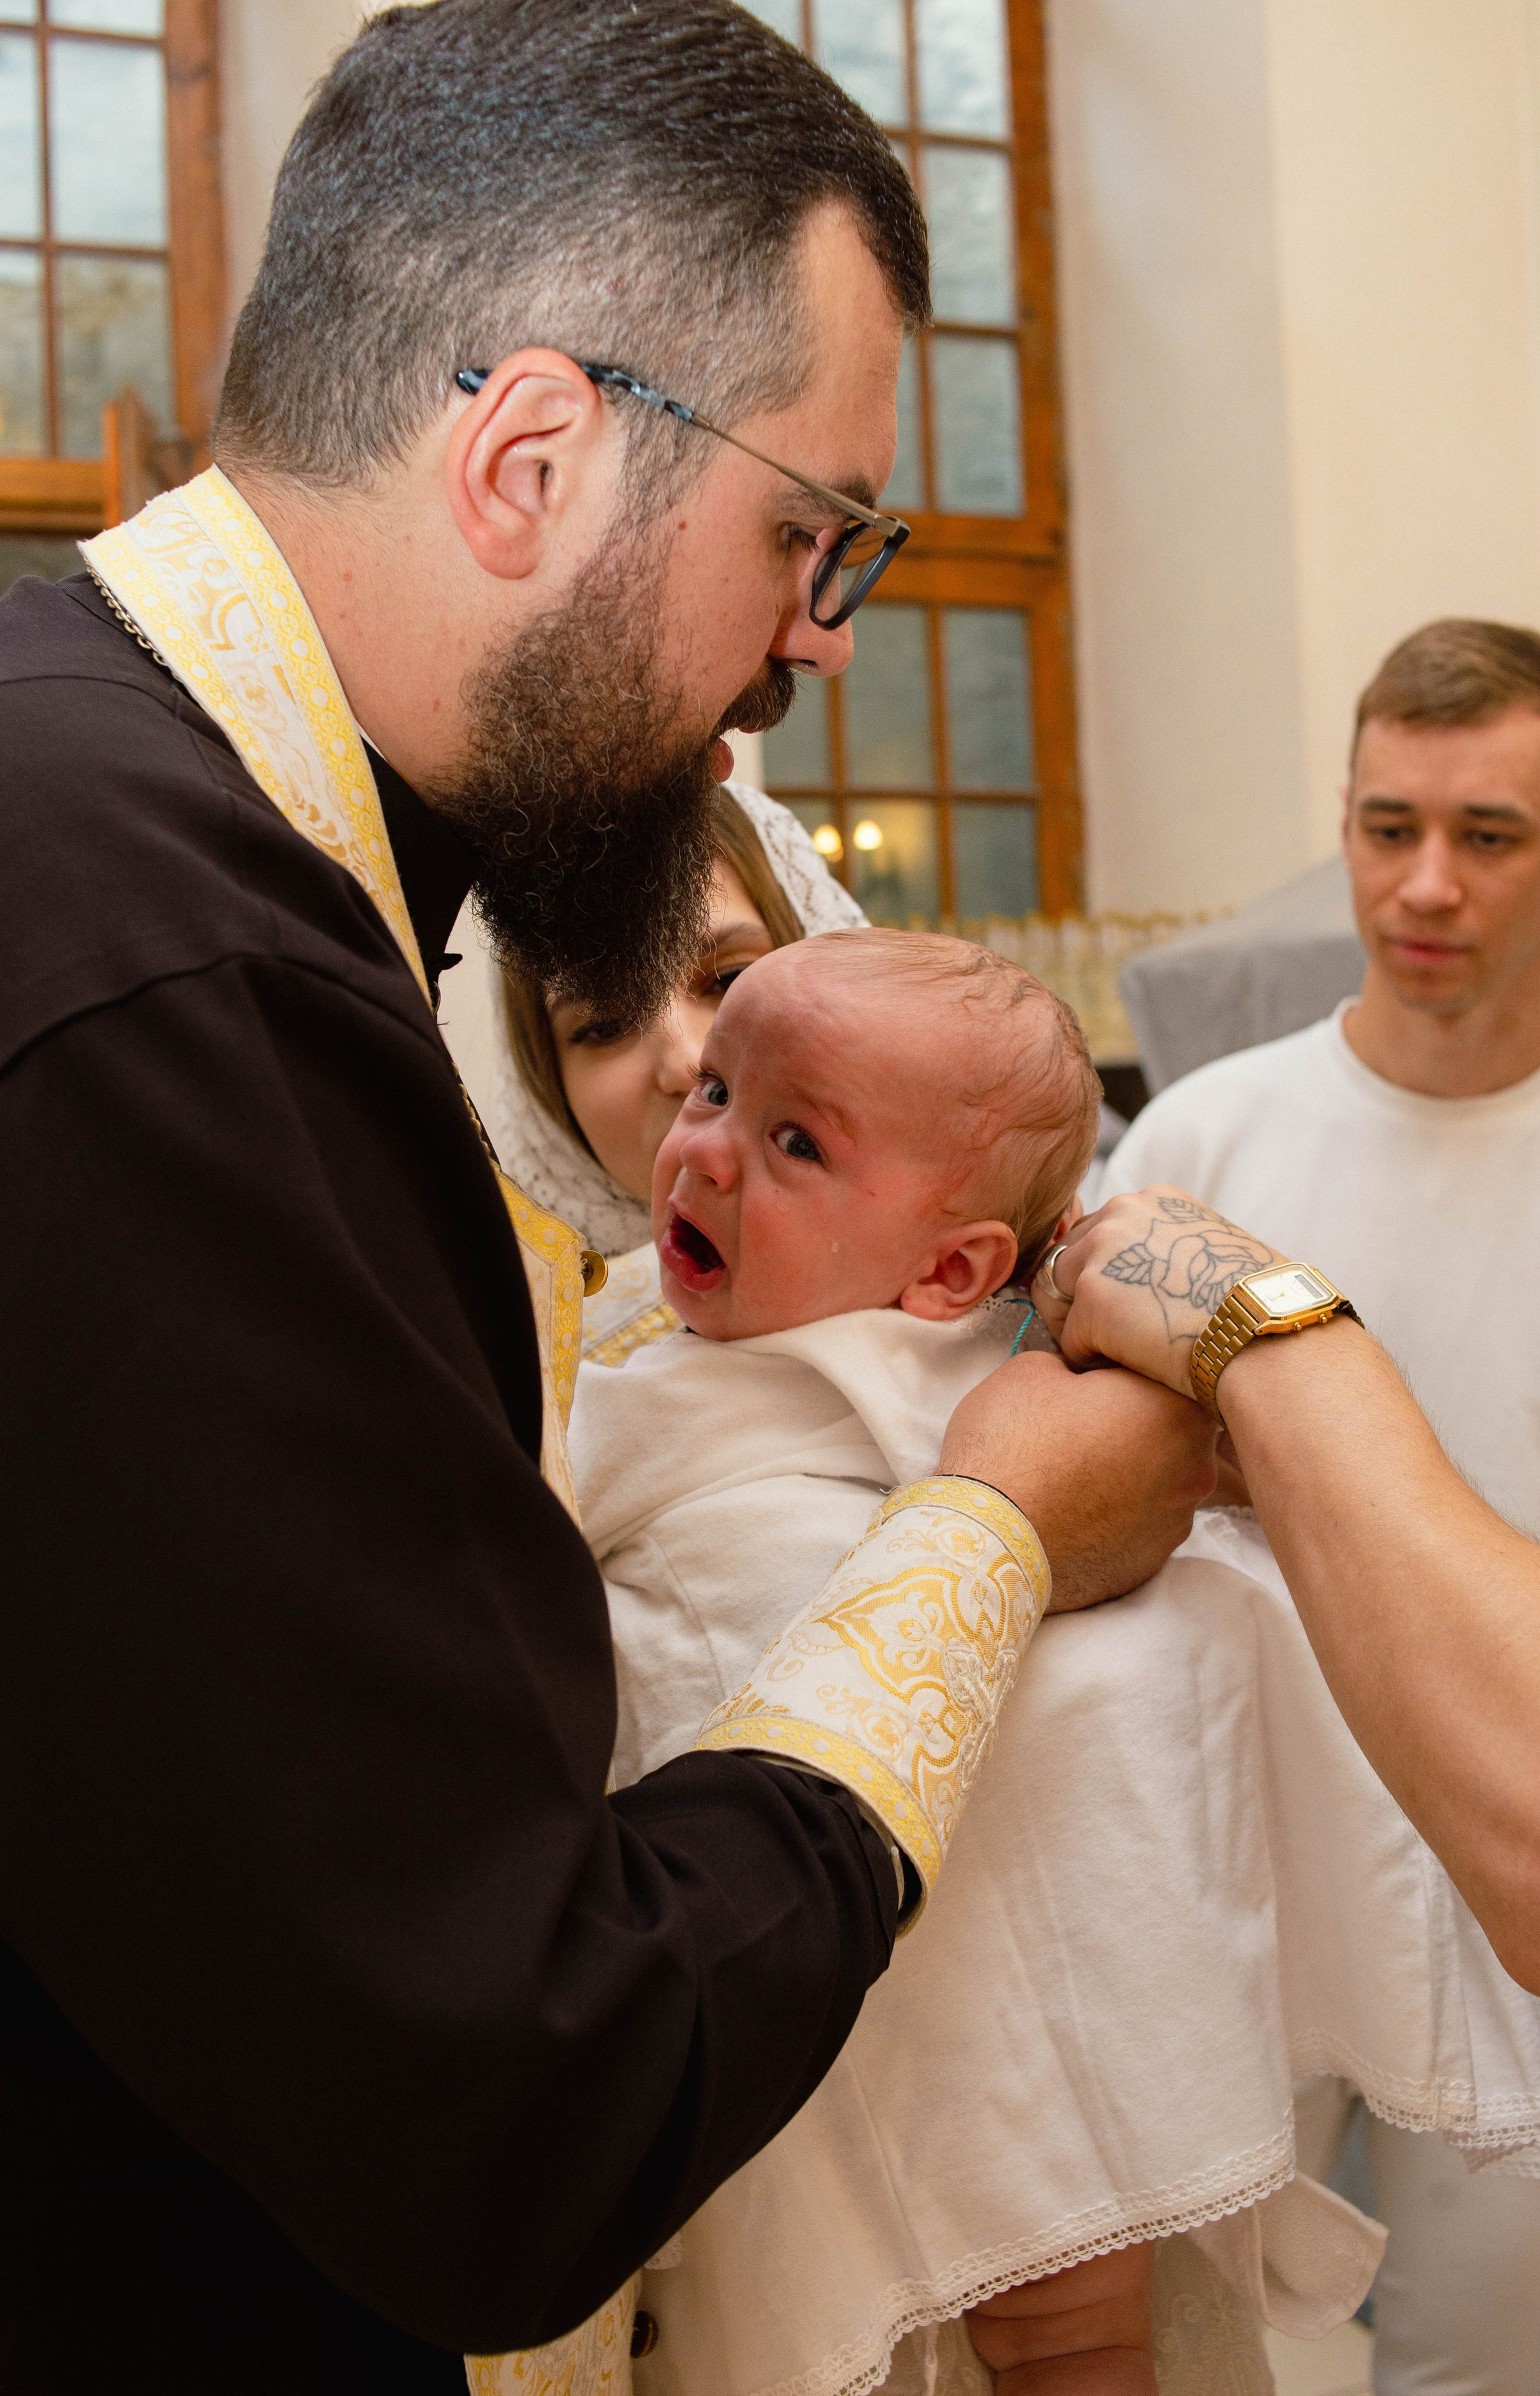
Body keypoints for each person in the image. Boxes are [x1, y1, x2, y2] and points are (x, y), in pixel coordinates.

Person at [0, 4, 1215, 2389]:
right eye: (811, 528)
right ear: (533, 456)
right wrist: (983, 1534)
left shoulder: (126, 805)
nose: (818, 638)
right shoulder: (179, 979)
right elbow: (507, 2098)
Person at [506, 931, 1540, 2396]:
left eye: (795, 1138)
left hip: (1026, 1929)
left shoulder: (1024, 1390)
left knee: (1067, 2307)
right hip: (819, 1933)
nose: (709, 1152)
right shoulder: (642, 1339)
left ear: (952, 1268)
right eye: (716, 1096)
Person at [1094, 620, 1540, 2396]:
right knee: (1217, 2355)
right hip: (1237, 1856)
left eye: (1489, 834)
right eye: (1388, 828)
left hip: (1523, 1889)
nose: (1427, 884)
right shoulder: (1197, 1149)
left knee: (1477, 2368)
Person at [492, 778, 864, 1361]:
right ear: (550, 1098)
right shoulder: (507, 1370)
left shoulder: (1008, 1257)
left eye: (730, 980)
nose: (688, 1060)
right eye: (605, 1025)